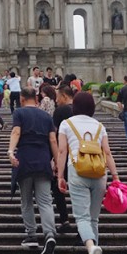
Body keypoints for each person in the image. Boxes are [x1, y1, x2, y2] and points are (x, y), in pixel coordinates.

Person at [57, 92, 120, 254]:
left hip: (77, 170)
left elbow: (62, 152)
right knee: (93, 217)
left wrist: (60, 176)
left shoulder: (66, 124)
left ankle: (92, 249)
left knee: (82, 217)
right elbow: (107, 153)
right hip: (100, 173)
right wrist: (115, 176)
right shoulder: (99, 126)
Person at [8, 87, 59, 254]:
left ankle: (31, 236)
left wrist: (10, 151)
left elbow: (16, 132)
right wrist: (57, 163)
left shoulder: (19, 113)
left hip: (25, 160)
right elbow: (53, 139)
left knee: (27, 201)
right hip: (43, 161)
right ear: (36, 98)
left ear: (22, 99)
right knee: (45, 201)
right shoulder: (46, 116)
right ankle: (50, 234)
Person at [51, 85, 76, 233]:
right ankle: (82, 229)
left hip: (65, 155)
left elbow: (55, 136)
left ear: (64, 96)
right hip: (81, 156)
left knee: (57, 187)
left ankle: (64, 219)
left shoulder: (60, 111)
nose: (56, 100)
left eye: (58, 96)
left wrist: (54, 158)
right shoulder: (81, 110)